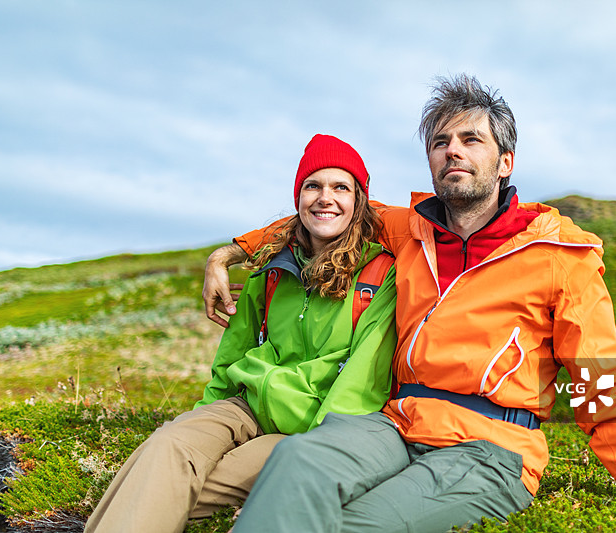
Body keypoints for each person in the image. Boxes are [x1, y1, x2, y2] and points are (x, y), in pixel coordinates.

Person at [202, 74, 616, 532]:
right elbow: (328, 210)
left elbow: (604, 391)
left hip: (491, 447)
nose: (452, 151)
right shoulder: (408, 230)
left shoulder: (562, 257)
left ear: (505, 162)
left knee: (357, 526)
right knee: (297, 460)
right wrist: (231, 253)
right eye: (440, 142)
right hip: (394, 424)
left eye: (471, 140)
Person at [84, 134, 397, 533]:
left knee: (172, 487)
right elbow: (231, 355)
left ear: (358, 201)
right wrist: (204, 421)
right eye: (312, 186)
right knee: (167, 446)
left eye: (341, 187)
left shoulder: (380, 273)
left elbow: (362, 379)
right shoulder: (270, 267)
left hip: (304, 427)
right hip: (244, 405)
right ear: (297, 196)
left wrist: (317, 452)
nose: (325, 197)